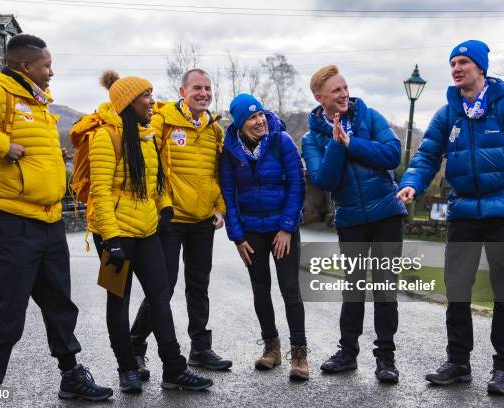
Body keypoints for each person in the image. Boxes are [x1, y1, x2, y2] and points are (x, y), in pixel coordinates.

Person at [0, 34, 113, 407]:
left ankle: (71, 377)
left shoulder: (36, 103)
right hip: (10, 223)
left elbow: (29, 151)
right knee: (8, 312)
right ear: (24, 66)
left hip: (48, 222)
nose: (51, 72)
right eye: (46, 65)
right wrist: (1, 146)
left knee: (60, 306)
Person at [398, 40, 504, 395]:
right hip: (463, 212)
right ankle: (458, 362)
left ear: (481, 67)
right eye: (452, 63)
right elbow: (426, 157)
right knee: (458, 291)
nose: (456, 68)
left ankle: (503, 369)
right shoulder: (447, 114)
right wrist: (411, 185)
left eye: (464, 62)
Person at [87, 70, 213, 393]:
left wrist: (166, 206)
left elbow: (155, 182)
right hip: (113, 236)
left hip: (147, 232)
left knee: (160, 296)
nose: (152, 101)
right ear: (129, 101)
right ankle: (127, 367)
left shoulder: (146, 136)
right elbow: (100, 192)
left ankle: (174, 368)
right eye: (146, 95)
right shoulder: (105, 137)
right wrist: (111, 240)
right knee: (118, 301)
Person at [301, 65, 406, 383]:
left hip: (387, 214)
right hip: (351, 221)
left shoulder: (370, 117)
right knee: (354, 288)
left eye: (345, 87)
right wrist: (335, 144)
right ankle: (348, 353)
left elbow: (392, 155)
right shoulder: (311, 139)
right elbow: (324, 179)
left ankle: (385, 358)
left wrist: (351, 143)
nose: (344, 94)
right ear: (321, 98)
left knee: (385, 289)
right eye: (336, 91)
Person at [129, 69, 232, 371]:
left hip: (203, 220)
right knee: (164, 286)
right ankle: (136, 346)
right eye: (197, 88)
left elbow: (217, 173)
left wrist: (220, 208)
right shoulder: (163, 121)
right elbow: (145, 158)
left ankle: (200, 348)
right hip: (170, 219)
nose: (203, 93)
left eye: (208, 88)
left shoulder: (214, 128)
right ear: (182, 91)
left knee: (199, 286)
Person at [219, 93, 308, 380]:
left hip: (283, 229)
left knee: (290, 289)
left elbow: (298, 185)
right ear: (240, 123)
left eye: (260, 115)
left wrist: (286, 227)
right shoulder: (230, 151)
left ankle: (299, 354)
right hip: (251, 232)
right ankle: (272, 349)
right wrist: (237, 236)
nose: (259, 122)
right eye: (251, 118)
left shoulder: (282, 141)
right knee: (260, 290)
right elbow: (228, 195)